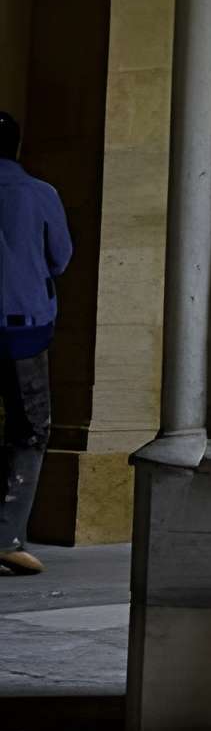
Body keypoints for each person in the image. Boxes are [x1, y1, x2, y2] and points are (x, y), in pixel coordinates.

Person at [0, 111, 71, 578]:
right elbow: (60, 257)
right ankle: (6, 536)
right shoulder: (40, 194)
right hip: (23, 329)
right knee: (29, 429)